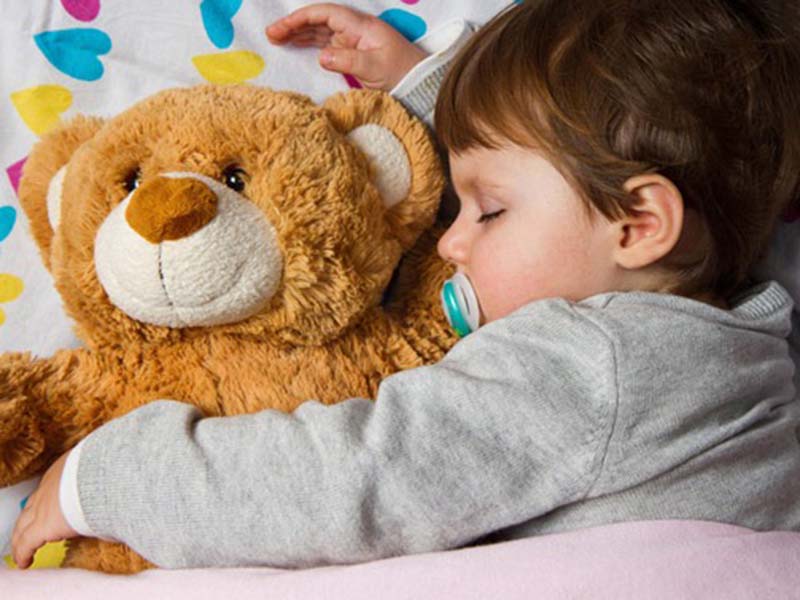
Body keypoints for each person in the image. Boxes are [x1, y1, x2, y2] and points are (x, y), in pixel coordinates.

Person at [11, 0, 800, 570]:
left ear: (639, 224)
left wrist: (109, 479)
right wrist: (428, 93)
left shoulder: (594, 362)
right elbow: (576, 175)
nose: (451, 239)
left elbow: (361, 480)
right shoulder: (739, 325)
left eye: (488, 210)